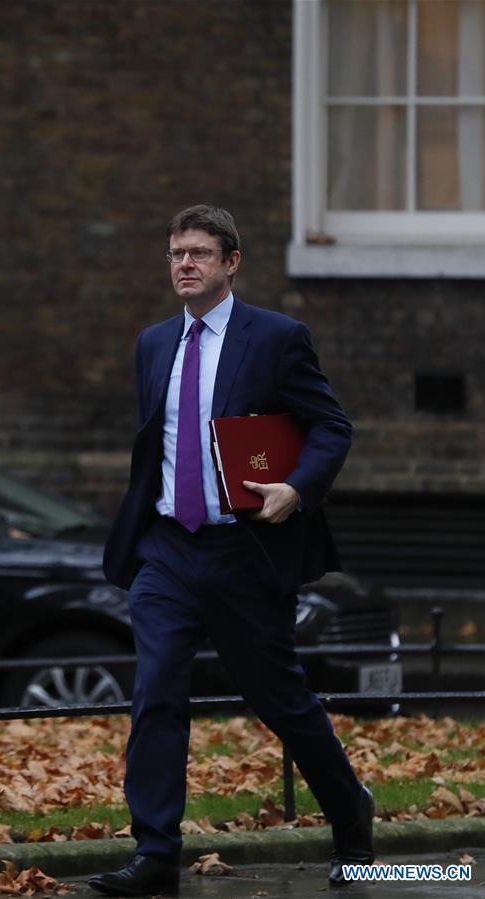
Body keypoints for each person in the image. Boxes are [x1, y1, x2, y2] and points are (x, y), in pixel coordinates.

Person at [89, 205, 374, 895]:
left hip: (243, 551)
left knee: (281, 701)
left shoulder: (276, 338)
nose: (184, 264)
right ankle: (156, 854)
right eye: (175, 253)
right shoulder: (153, 343)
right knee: (157, 692)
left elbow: (331, 426)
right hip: (167, 550)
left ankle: (351, 814)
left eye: (199, 253)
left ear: (231, 262)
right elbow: (155, 442)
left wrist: (296, 488)